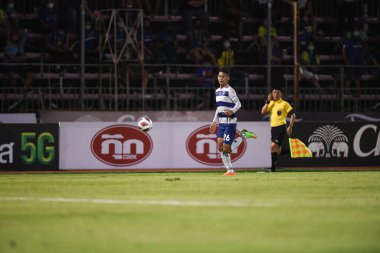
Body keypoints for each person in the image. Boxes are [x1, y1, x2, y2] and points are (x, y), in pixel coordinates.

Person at [209, 68, 255, 176]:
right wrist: (214, 122)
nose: (221, 78)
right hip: (221, 123)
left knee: (226, 149)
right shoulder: (217, 91)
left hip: (230, 122)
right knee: (220, 147)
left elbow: (238, 104)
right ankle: (230, 171)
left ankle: (244, 135)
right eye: (219, 76)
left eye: (223, 76)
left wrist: (232, 111)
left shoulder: (230, 90)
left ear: (227, 78)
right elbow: (218, 108)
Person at [261, 87, 296, 172]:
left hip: (281, 127)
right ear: (272, 94)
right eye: (274, 93)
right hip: (273, 128)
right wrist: (267, 101)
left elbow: (293, 115)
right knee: (278, 150)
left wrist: (290, 126)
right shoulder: (271, 103)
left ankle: (272, 169)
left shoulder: (284, 103)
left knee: (272, 147)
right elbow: (263, 111)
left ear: (281, 94)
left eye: (277, 93)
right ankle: (296, 153)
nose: (275, 94)